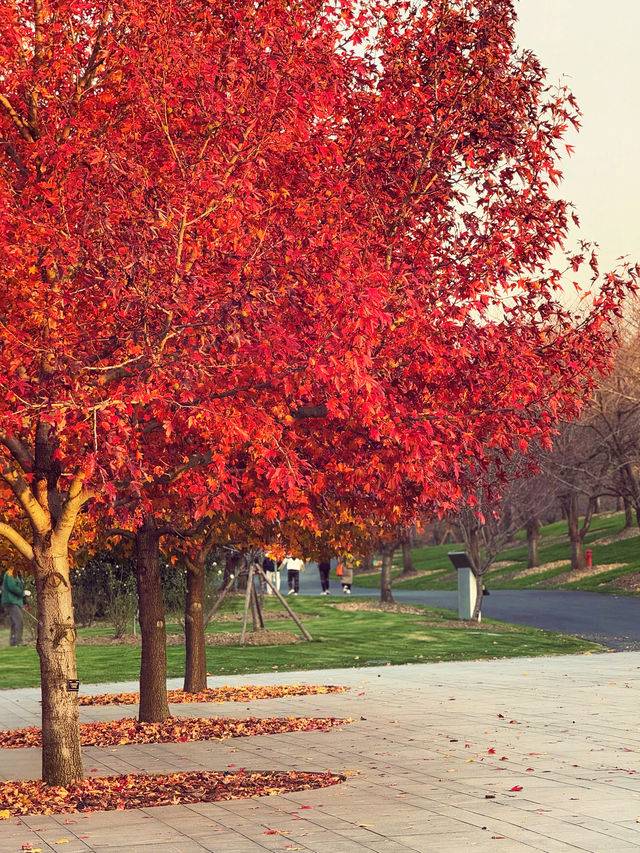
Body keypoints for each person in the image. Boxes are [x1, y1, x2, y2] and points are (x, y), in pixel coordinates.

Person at [1, 567, 27, 646]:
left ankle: (13, 643)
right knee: (18, 621)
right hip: (11, 601)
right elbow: (12, 587)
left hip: (13, 601)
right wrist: (23, 593)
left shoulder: (14, 573)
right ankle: (18, 642)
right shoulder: (10, 573)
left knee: (14, 622)